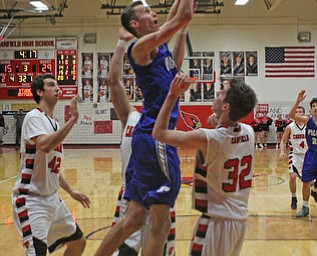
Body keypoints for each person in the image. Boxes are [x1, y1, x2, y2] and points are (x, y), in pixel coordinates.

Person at [94, 1, 195, 255]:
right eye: (147, 13)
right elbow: (183, 15)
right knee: (159, 222)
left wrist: (182, 29)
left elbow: (178, 22)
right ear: (135, 25)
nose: (155, 13)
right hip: (155, 139)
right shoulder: (139, 48)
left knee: (135, 218)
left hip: (149, 138)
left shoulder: (160, 50)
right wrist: (182, 21)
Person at [152, 78, 257, 256]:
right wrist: (219, 121)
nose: (216, 94)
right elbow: (228, 131)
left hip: (216, 224)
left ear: (226, 106)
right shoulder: (249, 132)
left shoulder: (210, 138)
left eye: (221, 92)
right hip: (239, 222)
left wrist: (172, 95)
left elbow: (159, 133)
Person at [108, 27, 176, 256]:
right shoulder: (131, 116)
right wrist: (121, 43)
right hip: (131, 195)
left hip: (158, 195)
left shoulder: (163, 119)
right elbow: (113, 81)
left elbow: (173, 72)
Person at [11, 74, 91, 255]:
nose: (58, 88)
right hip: (32, 200)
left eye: (57, 85)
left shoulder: (53, 123)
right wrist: (73, 120)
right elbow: (45, 146)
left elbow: (51, 168)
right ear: (39, 92)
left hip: (53, 199)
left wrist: (71, 191)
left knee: (78, 242)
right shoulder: (34, 117)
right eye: (51, 85)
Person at [288, 90, 317, 218]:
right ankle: (305, 206)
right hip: (310, 154)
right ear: (310, 110)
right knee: (306, 181)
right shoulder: (307, 121)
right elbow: (291, 115)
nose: (316, 108)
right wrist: (298, 101)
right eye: (313, 106)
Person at [279, 106, 307, 210]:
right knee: (293, 176)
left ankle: (311, 195)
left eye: (300, 112)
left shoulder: (309, 125)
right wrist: (282, 152)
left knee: (308, 179)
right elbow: (283, 140)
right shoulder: (290, 127)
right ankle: (294, 197)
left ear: (304, 114)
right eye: (296, 112)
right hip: (294, 154)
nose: (298, 114)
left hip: (307, 154)